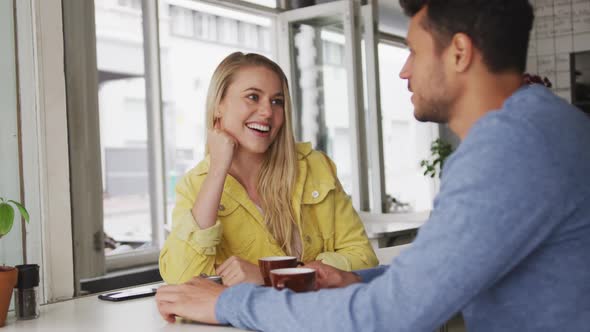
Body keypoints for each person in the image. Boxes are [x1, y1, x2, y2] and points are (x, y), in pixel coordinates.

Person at [155, 0, 590, 330]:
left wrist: (227, 303)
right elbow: (435, 274)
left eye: (414, 51)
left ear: (459, 52)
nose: (403, 72)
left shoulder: (509, 150)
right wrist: (357, 280)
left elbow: (389, 315)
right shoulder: (543, 127)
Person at [159, 52, 378, 286]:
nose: (267, 112)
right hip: (244, 323)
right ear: (218, 106)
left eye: (277, 101)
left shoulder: (315, 167)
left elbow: (363, 258)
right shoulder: (194, 186)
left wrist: (272, 276)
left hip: (319, 318)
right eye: (253, 97)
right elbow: (181, 279)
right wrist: (217, 170)